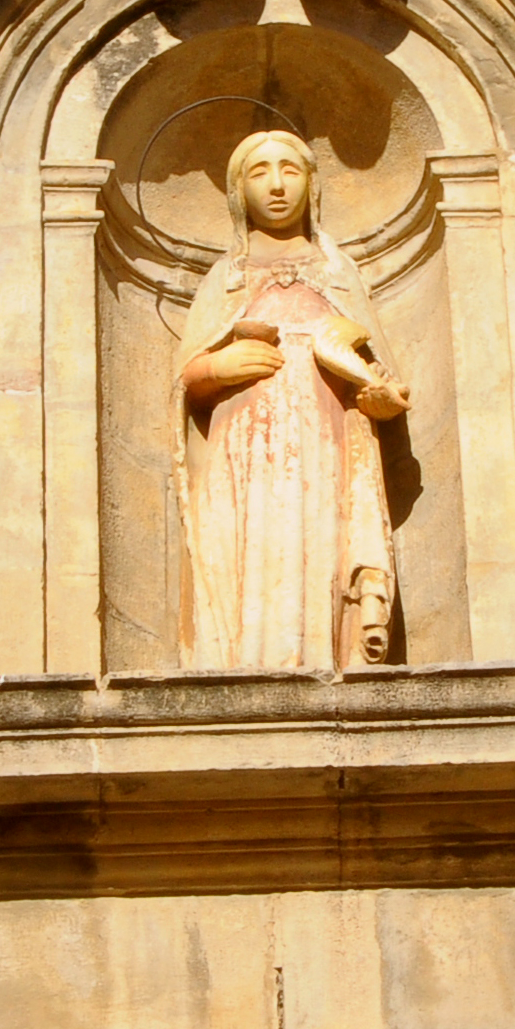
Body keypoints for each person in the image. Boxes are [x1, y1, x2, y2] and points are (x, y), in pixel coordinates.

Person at [175, 130, 409, 670]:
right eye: (259, 173)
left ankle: (325, 655)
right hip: (243, 454)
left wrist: (379, 396)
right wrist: (216, 367)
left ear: (311, 183)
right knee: (249, 549)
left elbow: (374, 374)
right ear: (238, 191)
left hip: (325, 442)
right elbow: (186, 378)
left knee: (321, 545)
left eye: (290, 170)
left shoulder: (338, 274)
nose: (276, 185)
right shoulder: (226, 278)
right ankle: (242, 661)